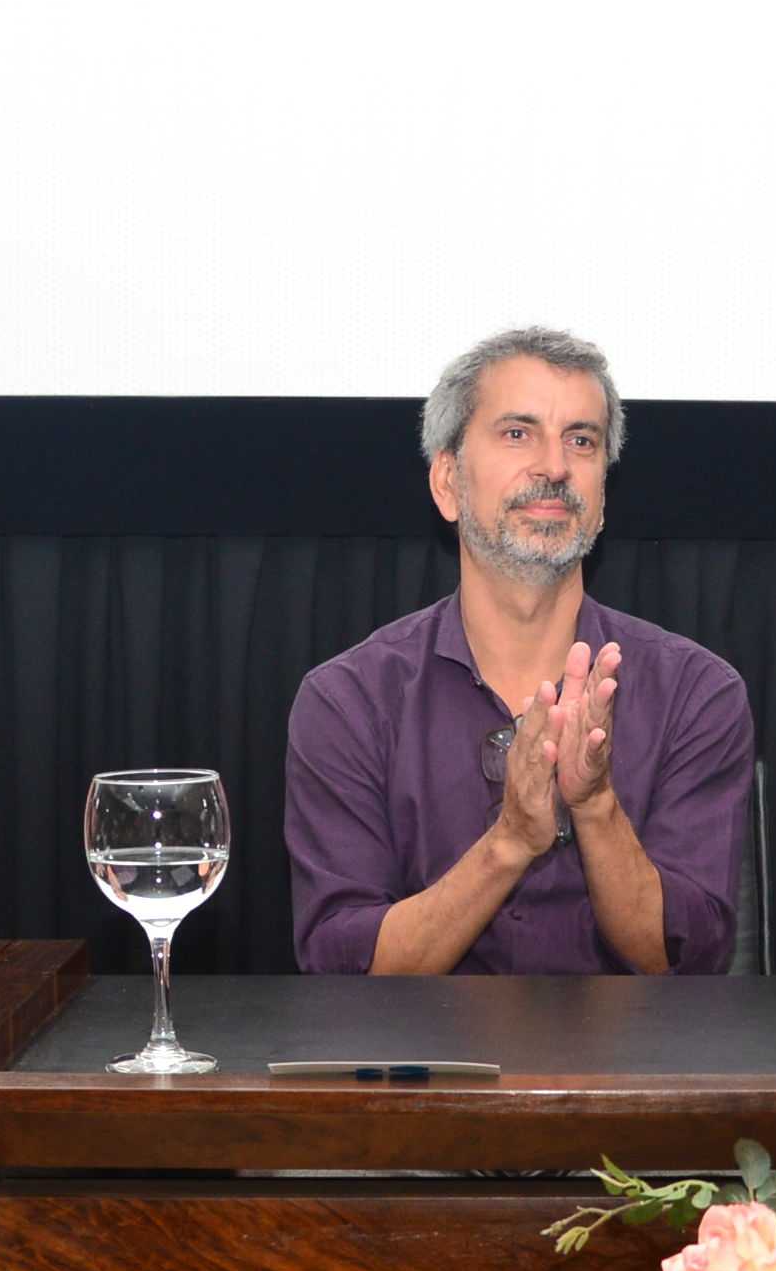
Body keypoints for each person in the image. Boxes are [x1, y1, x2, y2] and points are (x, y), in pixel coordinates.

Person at [285, 328, 752, 975]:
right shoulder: (349, 701)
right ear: (447, 483)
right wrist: (509, 842)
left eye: (581, 441)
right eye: (517, 433)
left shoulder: (696, 692)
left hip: (630, 1073)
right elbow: (341, 971)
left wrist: (593, 805)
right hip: (429, 1072)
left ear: (603, 499)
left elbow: (690, 961)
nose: (555, 467)